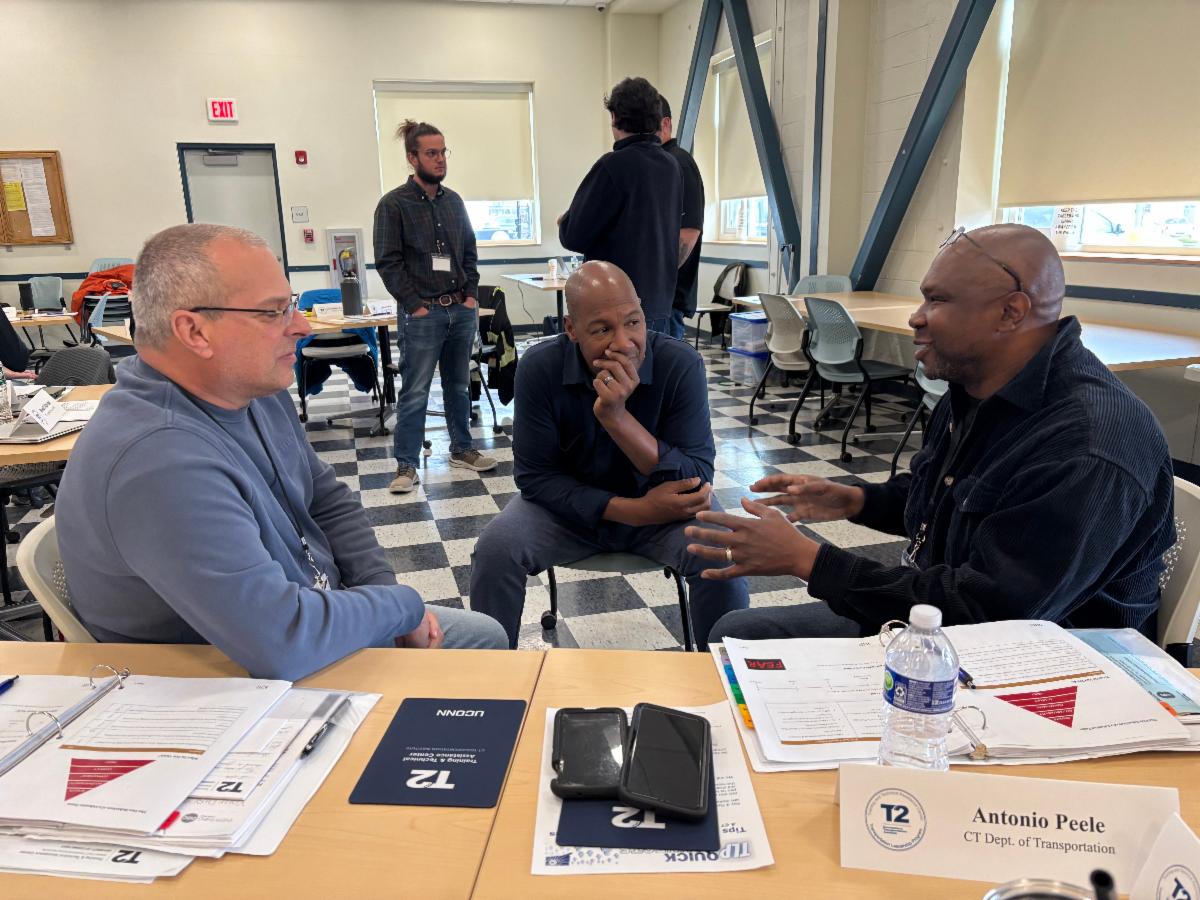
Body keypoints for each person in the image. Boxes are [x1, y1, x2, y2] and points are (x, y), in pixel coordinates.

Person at [56, 224, 507, 682]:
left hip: (297, 627)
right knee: (482, 649)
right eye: (273, 313)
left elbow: (326, 500)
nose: (302, 326)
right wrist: (401, 607)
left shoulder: (247, 392)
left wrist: (381, 590)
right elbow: (284, 639)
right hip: (226, 685)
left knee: (483, 637)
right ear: (194, 331)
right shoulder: (157, 459)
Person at [689, 223, 1175, 641]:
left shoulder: (1088, 448)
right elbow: (943, 501)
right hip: (942, 624)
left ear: (1012, 312)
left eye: (936, 300)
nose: (915, 318)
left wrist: (814, 563)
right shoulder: (974, 391)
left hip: (1051, 665)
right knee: (739, 634)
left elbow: (991, 613)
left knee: (747, 641)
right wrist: (856, 500)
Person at [469, 261, 749, 648]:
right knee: (496, 549)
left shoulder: (679, 365)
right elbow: (535, 478)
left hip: (664, 516)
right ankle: (486, 681)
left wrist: (618, 419)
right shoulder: (540, 368)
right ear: (571, 329)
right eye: (602, 329)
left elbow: (696, 476)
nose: (624, 342)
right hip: (568, 513)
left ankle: (729, 675)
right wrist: (633, 510)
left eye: (633, 322)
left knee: (719, 551)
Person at [373, 119, 497, 494]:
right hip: (422, 314)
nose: (440, 159)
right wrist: (415, 306)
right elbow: (388, 262)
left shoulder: (454, 202)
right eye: (431, 153)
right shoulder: (393, 205)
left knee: (459, 386)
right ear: (412, 158)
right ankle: (406, 466)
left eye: (443, 152)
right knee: (415, 391)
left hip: (460, 309)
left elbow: (469, 253)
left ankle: (462, 448)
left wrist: (472, 295)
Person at [559, 77, 683, 334]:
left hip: (617, 308)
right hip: (659, 303)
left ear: (614, 117)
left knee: (615, 374)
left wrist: (566, 221)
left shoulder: (613, 166)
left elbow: (574, 236)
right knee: (651, 373)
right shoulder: (671, 166)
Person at [657, 96, 705, 342]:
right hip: (655, 296)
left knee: (667, 372)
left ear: (666, 124)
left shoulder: (679, 163)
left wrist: (656, 276)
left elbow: (688, 233)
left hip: (668, 298)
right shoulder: (657, 163)